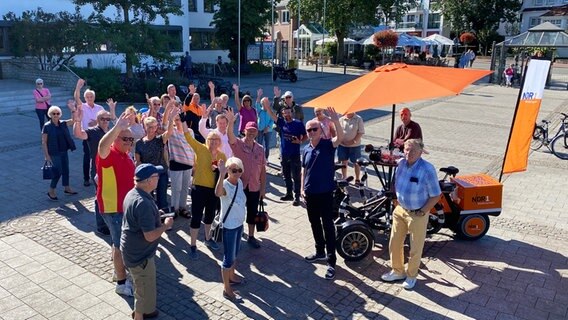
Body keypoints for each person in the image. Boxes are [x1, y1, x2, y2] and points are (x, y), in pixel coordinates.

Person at [381, 139, 441, 290]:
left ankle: (411, 275)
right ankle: (398, 271)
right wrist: (396, 200)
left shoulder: (427, 169)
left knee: (415, 247)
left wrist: (423, 211)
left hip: (418, 213)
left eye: (413, 150)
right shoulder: (400, 163)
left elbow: (436, 195)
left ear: (421, 152)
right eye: (407, 149)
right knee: (394, 243)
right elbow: (395, 183)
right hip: (401, 210)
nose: (409, 153)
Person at [121, 163, 174, 320]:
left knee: (146, 284)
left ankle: (148, 311)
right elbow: (150, 236)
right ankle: (139, 315)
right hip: (139, 255)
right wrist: (165, 226)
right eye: (157, 176)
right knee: (142, 289)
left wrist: (156, 214)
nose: (159, 178)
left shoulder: (134, 193)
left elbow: (137, 218)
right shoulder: (143, 203)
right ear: (149, 180)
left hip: (134, 250)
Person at [301, 107, 344, 280]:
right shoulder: (306, 149)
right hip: (310, 193)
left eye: (314, 129)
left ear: (321, 130)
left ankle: (331, 260)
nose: (311, 132)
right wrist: (301, 189)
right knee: (314, 223)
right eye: (309, 130)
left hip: (325, 193)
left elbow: (340, 138)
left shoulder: (327, 145)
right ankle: (319, 251)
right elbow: (304, 170)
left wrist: (335, 120)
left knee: (328, 225)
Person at [96, 111, 136, 297]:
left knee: (116, 241)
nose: (128, 142)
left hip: (124, 206)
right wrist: (116, 128)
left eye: (131, 140)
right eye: (125, 139)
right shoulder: (109, 153)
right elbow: (101, 146)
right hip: (113, 208)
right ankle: (121, 283)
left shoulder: (125, 154)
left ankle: (117, 272)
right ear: (115, 138)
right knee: (121, 246)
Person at [184, 125, 227, 258]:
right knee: (196, 217)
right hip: (199, 188)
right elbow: (188, 137)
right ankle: (192, 245)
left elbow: (224, 174)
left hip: (213, 190)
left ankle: (208, 238)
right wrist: (181, 120)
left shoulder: (222, 156)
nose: (213, 142)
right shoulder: (201, 148)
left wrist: (220, 169)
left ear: (219, 142)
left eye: (216, 140)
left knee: (209, 216)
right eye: (211, 139)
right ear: (207, 140)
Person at [226, 109, 266, 249]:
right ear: (244, 131)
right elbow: (230, 136)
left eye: (254, 131)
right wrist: (230, 122)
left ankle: (251, 236)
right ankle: (237, 232)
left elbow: (263, 170)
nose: (251, 133)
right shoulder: (238, 144)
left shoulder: (260, 148)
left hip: (254, 186)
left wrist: (263, 188)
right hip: (239, 186)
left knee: (252, 212)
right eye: (249, 131)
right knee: (237, 210)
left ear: (256, 133)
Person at [74, 107, 113, 235]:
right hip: (98, 170)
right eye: (102, 119)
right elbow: (79, 134)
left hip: (111, 169)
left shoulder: (111, 132)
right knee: (100, 197)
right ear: (97, 120)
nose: (105, 121)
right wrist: (78, 121)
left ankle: (110, 221)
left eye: (107, 119)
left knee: (109, 196)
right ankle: (101, 225)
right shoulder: (92, 131)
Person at [214, 157, 247, 302]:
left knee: (235, 253)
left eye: (240, 170)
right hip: (229, 226)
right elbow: (217, 193)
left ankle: (232, 276)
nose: (238, 173)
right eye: (234, 170)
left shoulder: (239, 182)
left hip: (239, 224)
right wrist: (221, 174)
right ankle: (227, 289)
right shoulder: (225, 185)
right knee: (228, 258)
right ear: (228, 171)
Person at [74, 78, 116, 187]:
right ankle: (86, 178)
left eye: (91, 96)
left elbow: (109, 118)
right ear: (85, 98)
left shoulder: (100, 107)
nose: (89, 98)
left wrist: (111, 109)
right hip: (88, 135)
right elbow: (76, 98)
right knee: (88, 156)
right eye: (87, 97)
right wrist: (78, 87)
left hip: (101, 134)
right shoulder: (82, 106)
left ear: (94, 97)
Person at [135, 102, 176, 210]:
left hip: (161, 172)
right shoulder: (139, 143)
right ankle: (152, 218)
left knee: (162, 197)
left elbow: (169, 132)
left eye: (153, 127)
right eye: (149, 127)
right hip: (147, 175)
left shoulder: (160, 139)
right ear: (145, 127)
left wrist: (171, 119)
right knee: (148, 198)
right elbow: (138, 161)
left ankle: (165, 219)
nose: (151, 129)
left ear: (156, 127)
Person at [264, 104, 306, 206]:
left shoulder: (298, 123)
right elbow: (271, 115)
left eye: (289, 112)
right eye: (285, 112)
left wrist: (300, 141)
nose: (287, 114)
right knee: (286, 175)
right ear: (282, 114)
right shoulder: (282, 122)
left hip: (294, 154)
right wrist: (266, 105)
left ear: (292, 112)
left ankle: (297, 197)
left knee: (296, 176)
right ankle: (289, 194)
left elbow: (306, 136)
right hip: (284, 154)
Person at [42, 105, 77, 200]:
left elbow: (74, 120)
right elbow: (44, 142)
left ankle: (67, 188)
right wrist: (46, 155)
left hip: (63, 150)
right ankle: (51, 190)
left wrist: (72, 110)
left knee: (66, 169)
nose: (56, 115)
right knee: (58, 172)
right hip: (54, 152)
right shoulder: (47, 126)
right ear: (50, 115)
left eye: (57, 113)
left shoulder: (62, 123)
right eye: (53, 114)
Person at [165, 111, 195, 218]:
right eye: (176, 120)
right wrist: (169, 114)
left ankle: (183, 208)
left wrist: (194, 162)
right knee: (175, 188)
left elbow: (192, 147)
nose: (179, 122)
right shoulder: (171, 132)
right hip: (176, 163)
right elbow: (165, 127)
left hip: (188, 163)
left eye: (180, 119)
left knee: (185, 188)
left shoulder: (190, 132)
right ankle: (175, 209)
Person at [337, 112, 365, 185]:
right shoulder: (341, 119)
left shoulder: (358, 119)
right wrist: (341, 140)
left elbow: (361, 132)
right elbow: (338, 131)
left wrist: (353, 141)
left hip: (355, 146)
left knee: (356, 163)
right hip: (342, 145)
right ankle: (344, 177)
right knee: (343, 162)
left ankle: (357, 178)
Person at [255, 91, 275, 160]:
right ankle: (259, 157)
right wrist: (259, 95)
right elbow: (256, 104)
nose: (266, 104)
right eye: (264, 103)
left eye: (267, 103)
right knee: (259, 144)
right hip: (260, 129)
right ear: (262, 104)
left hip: (268, 130)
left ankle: (266, 158)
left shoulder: (271, 111)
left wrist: (268, 127)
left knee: (267, 145)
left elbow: (272, 120)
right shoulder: (260, 110)